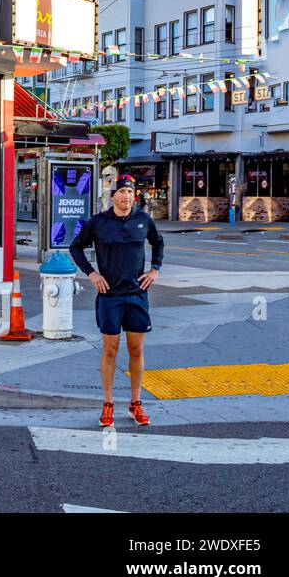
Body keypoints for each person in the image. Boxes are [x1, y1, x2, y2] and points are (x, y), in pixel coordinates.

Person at [71, 174, 165, 428]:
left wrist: (155, 269)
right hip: (109, 296)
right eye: (121, 191)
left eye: (130, 192)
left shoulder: (143, 220)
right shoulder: (99, 222)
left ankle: (136, 403)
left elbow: (158, 243)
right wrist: (91, 274)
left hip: (136, 294)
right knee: (110, 350)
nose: (126, 196)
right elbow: (75, 247)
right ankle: (108, 404)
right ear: (112, 196)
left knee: (136, 349)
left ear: (135, 196)